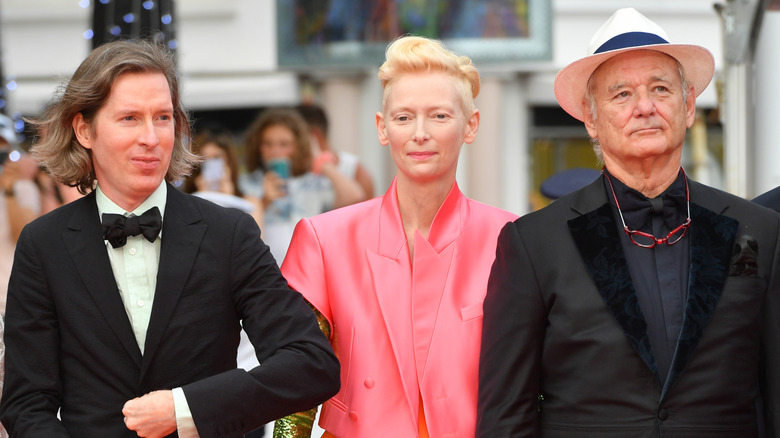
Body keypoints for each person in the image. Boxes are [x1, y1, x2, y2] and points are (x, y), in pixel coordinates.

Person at [0, 39, 340, 437]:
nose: (151, 137)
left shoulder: (229, 234)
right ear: (84, 129)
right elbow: (26, 403)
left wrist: (185, 408)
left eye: (162, 117)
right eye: (129, 118)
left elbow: (310, 363)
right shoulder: (44, 245)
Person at [478, 8, 780, 437]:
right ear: (591, 119)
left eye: (660, 88)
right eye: (621, 95)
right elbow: (506, 414)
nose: (645, 107)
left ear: (689, 104)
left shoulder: (760, 232)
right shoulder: (532, 244)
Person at [273, 35, 518, 438]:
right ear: (382, 127)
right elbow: (296, 388)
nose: (419, 133)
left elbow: (535, 383)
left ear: (470, 125)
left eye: (439, 116)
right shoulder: (324, 239)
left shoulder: (510, 238)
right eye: (403, 117)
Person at [239, 108, 363, 263]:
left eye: (284, 144)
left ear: (299, 146)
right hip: (265, 273)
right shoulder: (247, 182)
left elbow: (354, 196)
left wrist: (319, 159)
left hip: (306, 269)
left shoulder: (312, 183)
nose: (275, 151)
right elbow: (240, 232)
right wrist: (264, 201)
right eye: (267, 144)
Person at [296, 103, 375, 200]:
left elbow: (365, 207)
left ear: (314, 136)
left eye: (296, 138)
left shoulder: (354, 169)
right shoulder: (296, 169)